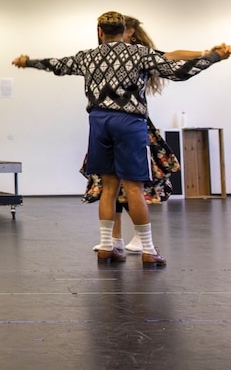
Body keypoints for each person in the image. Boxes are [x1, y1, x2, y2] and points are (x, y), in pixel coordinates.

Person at [12, 11, 229, 267]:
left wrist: (28, 62)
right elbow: (179, 71)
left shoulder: (88, 57)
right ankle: (148, 249)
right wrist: (215, 57)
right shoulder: (139, 54)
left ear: (100, 32)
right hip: (130, 123)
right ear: (125, 30)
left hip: (99, 122)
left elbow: (58, 65)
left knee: (109, 186)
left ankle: (107, 246)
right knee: (134, 187)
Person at [86, 15, 205, 253]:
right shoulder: (108, 54)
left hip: (129, 123)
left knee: (127, 185)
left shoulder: (139, 54)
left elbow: (172, 55)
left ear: (129, 32)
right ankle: (115, 239)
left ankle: (139, 239)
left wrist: (205, 53)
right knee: (111, 186)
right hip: (114, 123)